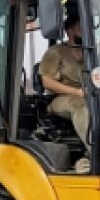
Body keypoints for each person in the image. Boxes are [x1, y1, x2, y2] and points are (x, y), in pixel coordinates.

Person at [38, 13, 91, 172]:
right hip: (60, 99)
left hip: (89, 95)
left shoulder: (91, 52)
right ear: (69, 30)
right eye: (80, 27)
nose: (84, 31)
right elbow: (46, 81)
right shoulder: (56, 52)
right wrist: (76, 91)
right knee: (80, 105)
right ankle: (96, 153)